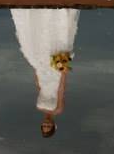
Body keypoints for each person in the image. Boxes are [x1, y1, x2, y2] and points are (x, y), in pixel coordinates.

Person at [10, 8, 80, 138]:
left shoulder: (39, 108)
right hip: (55, 78)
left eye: (44, 127)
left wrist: (36, 72)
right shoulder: (58, 110)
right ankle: (57, 16)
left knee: (37, 52)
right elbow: (61, 91)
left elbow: (39, 89)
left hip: (44, 78)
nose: (46, 125)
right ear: (53, 126)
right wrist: (63, 73)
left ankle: (39, 17)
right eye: (48, 127)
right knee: (56, 48)